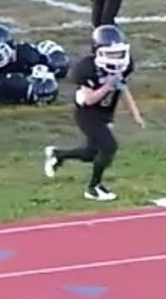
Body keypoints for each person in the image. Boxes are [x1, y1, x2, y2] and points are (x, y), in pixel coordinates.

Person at [43, 24, 146, 201]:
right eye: (111, 53)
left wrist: (135, 114)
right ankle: (93, 188)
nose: (116, 57)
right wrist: (108, 86)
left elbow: (122, 89)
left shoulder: (124, 66)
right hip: (87, 113)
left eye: (118, 53)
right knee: (109, 147)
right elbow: (89, 99)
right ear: (98, 51)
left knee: (91, 153)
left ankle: (58, 155)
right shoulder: (86, 69)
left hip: (105, 113)